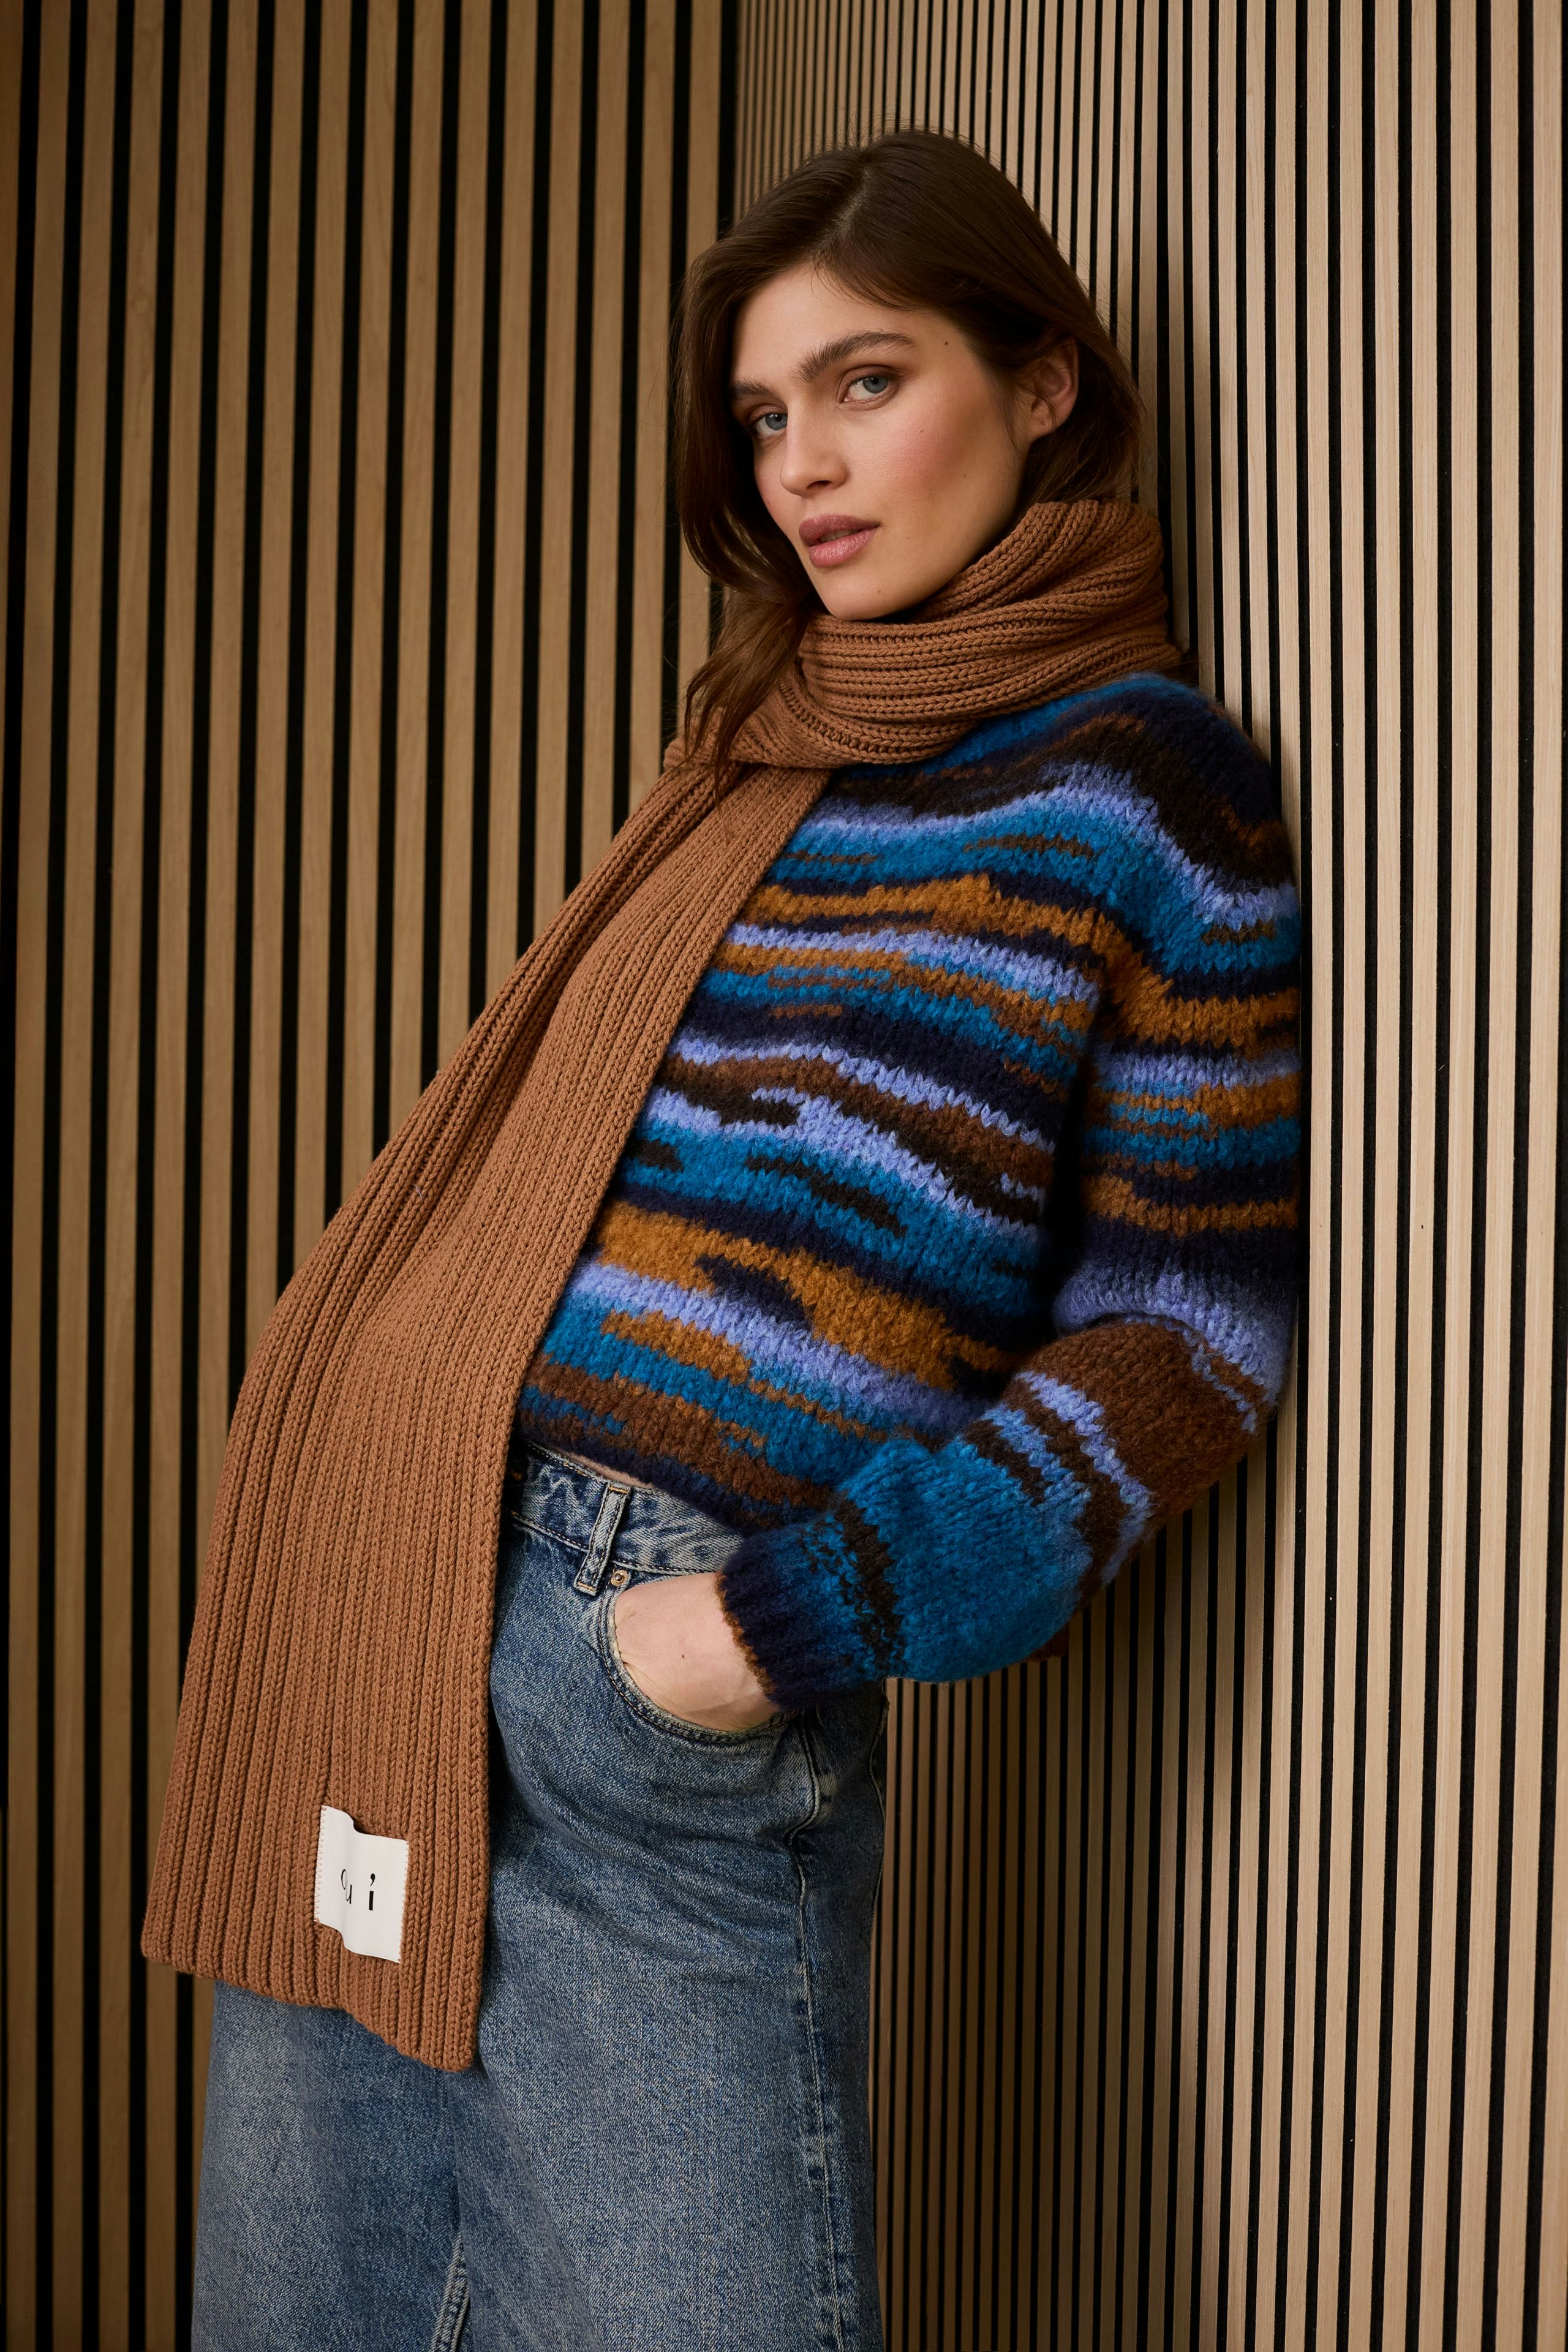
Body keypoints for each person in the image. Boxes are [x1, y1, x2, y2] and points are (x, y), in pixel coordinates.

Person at [174, 127, 1300, 2350]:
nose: (803, 466)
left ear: (1045, 379)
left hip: (655, 1668)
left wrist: (782, 1621)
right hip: (392, 1591)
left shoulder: (1147, 783)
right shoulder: (753, 747)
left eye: (866, 384)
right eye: (768, 415)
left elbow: (1191, 1330)